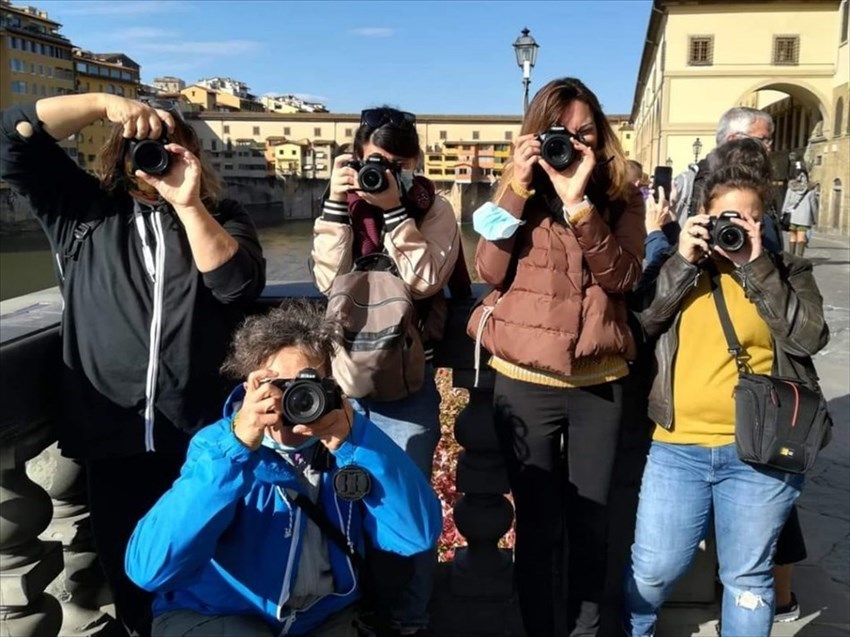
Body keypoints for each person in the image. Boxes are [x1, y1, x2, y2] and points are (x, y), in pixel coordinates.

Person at [0, 93, 266, 636]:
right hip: (110, 440)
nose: (154, 158)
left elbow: (235, 284)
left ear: (190, 154)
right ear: (120, 155)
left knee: (210, 579)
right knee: (132, 580)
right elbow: (12, 138)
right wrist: (103, 104)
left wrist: (188, 204)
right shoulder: (80, 209)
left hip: (201, 442)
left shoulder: (221, 216)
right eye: (142, 147)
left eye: (169, 146)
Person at [124, 300, 442, 637]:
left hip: (322, 615)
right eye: (277, 386)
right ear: (249, 387)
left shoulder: (350, 446)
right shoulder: (216, 446)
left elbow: (416, 535)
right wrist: (237, 449)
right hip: (216, 612)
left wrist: (358, 443)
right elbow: (149, 569)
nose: (293, 401)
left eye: (307, 386)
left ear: (332, 388)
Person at [624, 139, 829, 637]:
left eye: (748, 218)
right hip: (678, 448)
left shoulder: (787, 272)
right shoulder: (678, 268)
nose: (734, 227)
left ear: (763, 222)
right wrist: (682, 260)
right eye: (724, 219)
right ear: (703, 217)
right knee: (652, 570)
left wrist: (756, 268)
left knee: (748, 579)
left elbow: (808, 337)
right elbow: (641, 322)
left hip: (759, 453)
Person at [468, 77, 646, 637]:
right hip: (525, 379)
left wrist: (579, 206)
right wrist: (518, 188)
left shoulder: (620, 195)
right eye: (559, 133)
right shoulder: (515, 195)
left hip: (599, 380)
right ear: (534, 137)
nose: (573, 144)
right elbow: (489, 272)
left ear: (602, 137)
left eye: (585, 133)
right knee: (538, 527)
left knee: (594, 524)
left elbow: (624, 277)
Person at [311, 106, 465, 636]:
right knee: (343, 503)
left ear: (415, 162)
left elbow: (424, 281)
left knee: (407, 508)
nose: (388, 171)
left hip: (407, 385)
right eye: (377, 161)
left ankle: (409, 618)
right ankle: (354, 607)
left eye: (401, 162)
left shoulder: (433, 208)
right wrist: (336, 203)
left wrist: (396, 211)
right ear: (357, 158)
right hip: (344, 384)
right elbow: (328, 278)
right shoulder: (344, 206)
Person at [782, 166, 818, 257]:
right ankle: (799, 257)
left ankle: (791, 257)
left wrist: (783, 214)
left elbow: (786, 202)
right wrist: (814, 219)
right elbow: (813, 205)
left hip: (792, 216)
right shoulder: (810, 190)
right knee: (801, 237)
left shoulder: (791, 187)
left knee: (792, 236)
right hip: (804, 217)